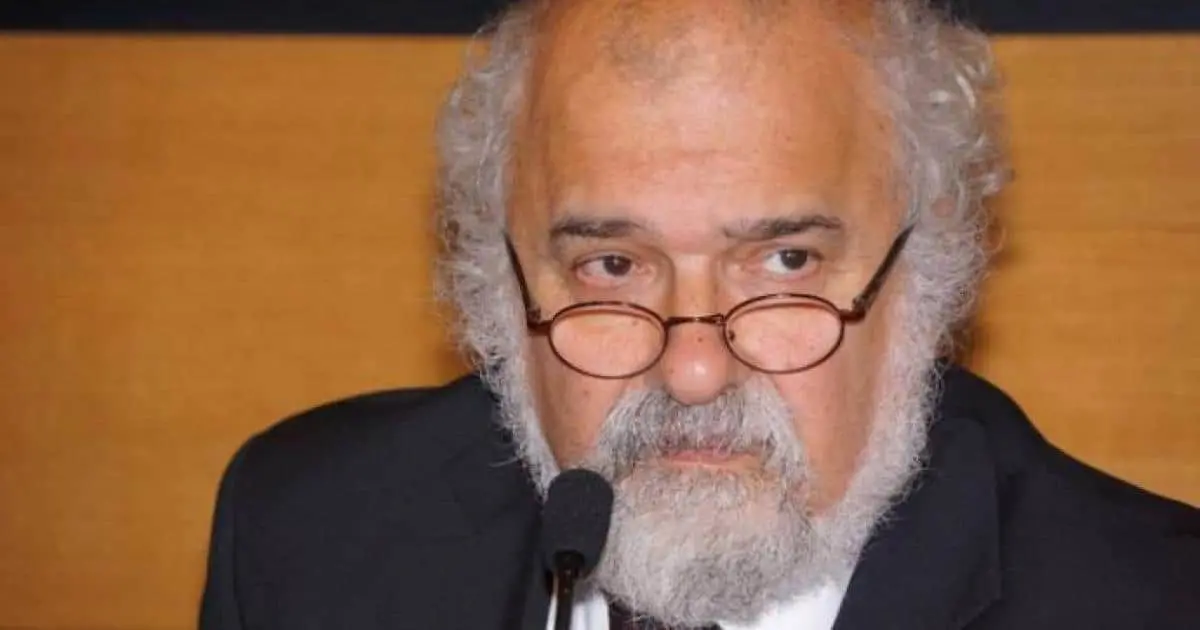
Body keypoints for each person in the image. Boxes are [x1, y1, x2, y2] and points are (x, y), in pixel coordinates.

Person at [199, 1, 1199, 628]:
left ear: (925, 273)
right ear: (495, 283)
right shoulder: (306, 534)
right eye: (612, 265)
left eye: (786, 261)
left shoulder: (1151, 601)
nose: (693, 372)